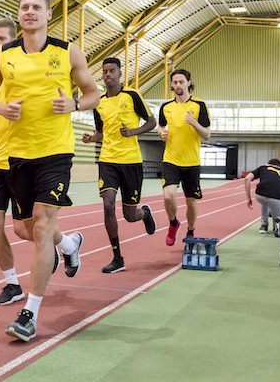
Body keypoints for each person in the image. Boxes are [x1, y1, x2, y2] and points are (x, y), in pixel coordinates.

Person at [0, 0, 99, 342]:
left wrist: (75, 105)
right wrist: (0, 107)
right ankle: (70, 244)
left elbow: (92, 93)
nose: (29, 11)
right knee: (24, 230)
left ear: (49, 14)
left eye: (36, 7)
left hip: (55, 153)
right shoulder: (5, 55)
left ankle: (30, 311)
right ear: (19, 15)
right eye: (24, 7)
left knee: (43, 227)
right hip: (17, 155)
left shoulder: (68, 53)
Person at [0, 18, 84, 306]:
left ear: (13, 42)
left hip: (26, 158)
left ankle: (67, 244)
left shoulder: (28, 71)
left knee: (26, 229)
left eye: (1, 40)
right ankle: (12, 283)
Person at [82, 57, 157, 274]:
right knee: (107, 205)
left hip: (131, 161)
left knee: (129, 215)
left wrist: (133, 132)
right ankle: (117, 257)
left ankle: (144, 213)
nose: (107, 75)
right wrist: (91, 139)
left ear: (119, 72)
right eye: (104, 71)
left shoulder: (132, 95)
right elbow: (100, 132)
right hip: (108, 160)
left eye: (111, 71)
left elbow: (151, 122)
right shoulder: (99, 103)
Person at [157, 69, 211, 246]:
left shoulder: (199, 106)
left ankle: (191, 230)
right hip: (170, 159)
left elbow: (207, 135)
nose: (178, 85)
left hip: (191, 162)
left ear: (189, 82)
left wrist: (194, 122)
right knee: (168, 195)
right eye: (175, 82)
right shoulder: (166, 107)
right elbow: (161, 126)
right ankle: (173, 223)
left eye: (181, 82)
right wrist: (161, 133)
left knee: (191, 202)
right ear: (172, 85)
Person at [244, 158, 280, 237]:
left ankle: (264, 225)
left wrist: (248, 198)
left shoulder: (262, 168)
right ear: (279, 165)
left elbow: (247, 178)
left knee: (265, 202)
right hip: (277, 196)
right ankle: (278, 225)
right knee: (279, 213)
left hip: (260, 195)